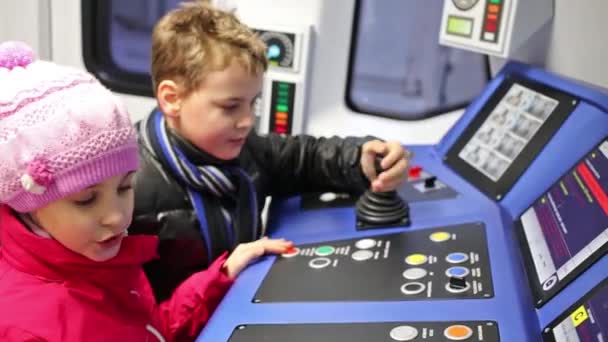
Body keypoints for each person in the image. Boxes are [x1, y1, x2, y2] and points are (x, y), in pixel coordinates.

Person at [0, 41, 292, 342]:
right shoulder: (26, 330)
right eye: (86, 200)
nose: (116, 217)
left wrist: (221, 277)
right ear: (28, 204)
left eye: (125, 187)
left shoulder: (100, 258)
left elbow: (152, 331)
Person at [130, 0, 411, 301]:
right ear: (172, 99)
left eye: (253, 103)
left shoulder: (246, 153)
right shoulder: (127, 188)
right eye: (230, 106)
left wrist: (362, 157)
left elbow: (306, 158)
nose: (248, 121)